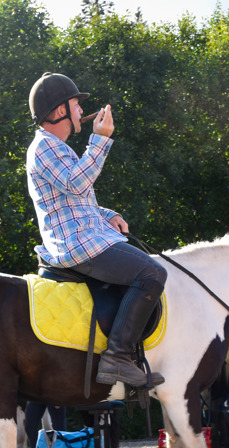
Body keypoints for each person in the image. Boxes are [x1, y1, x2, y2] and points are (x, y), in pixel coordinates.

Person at [26, 72, 167, 388]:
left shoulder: (58, 148)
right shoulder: (44, 147)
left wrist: (108, 214)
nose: (80, 111)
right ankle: (117, 358)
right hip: (79, 246)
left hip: (87, 237)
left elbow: (74, 202)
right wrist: (101, 138)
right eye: (75, 104)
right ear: (58, 110)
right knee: (153, 274)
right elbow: (77, 184)